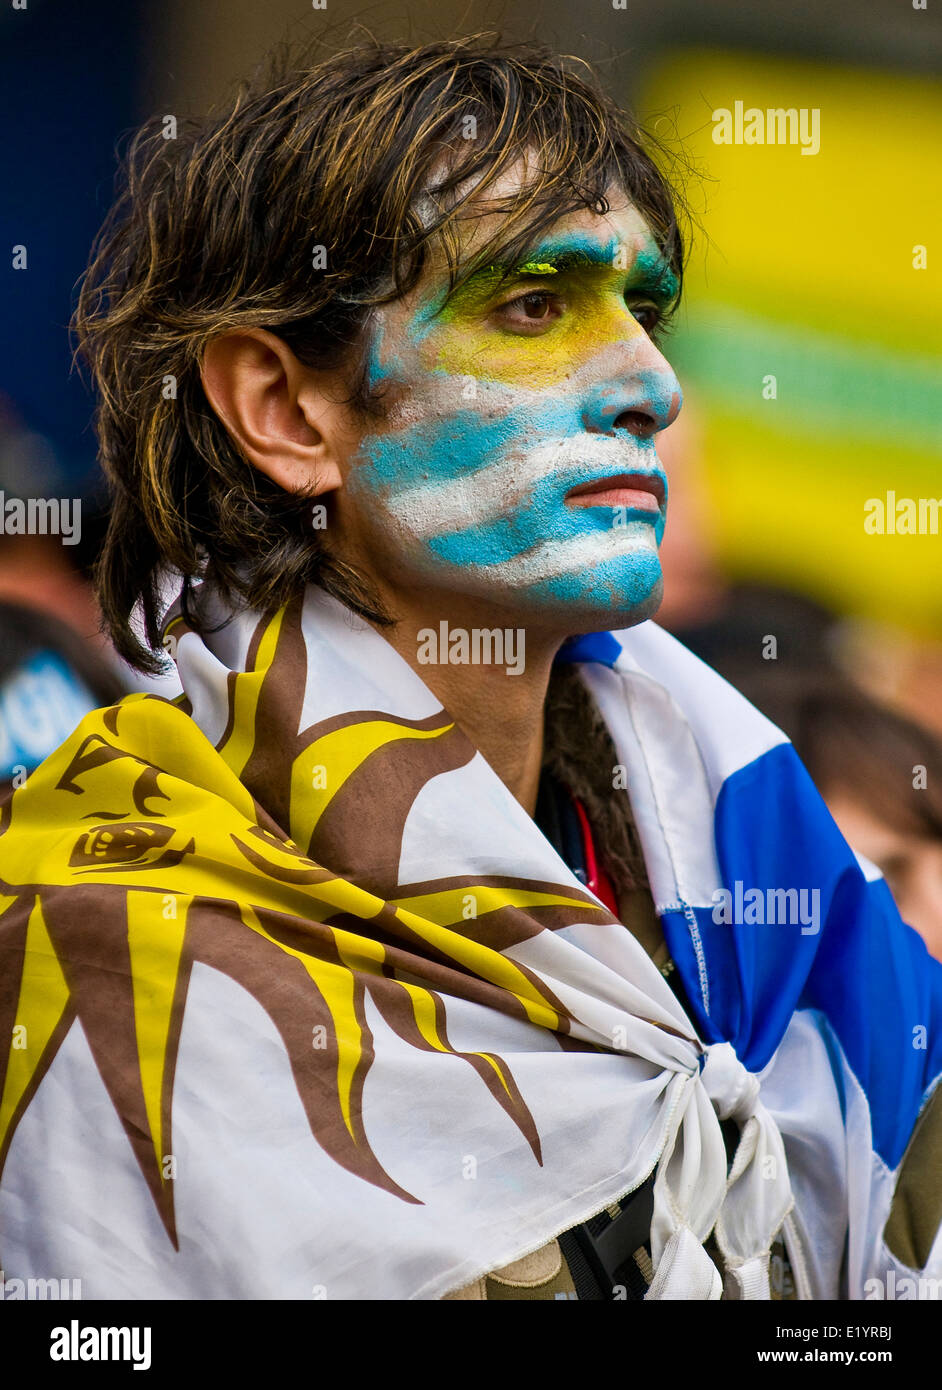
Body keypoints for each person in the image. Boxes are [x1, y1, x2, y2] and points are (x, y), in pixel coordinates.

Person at [0, 34, 939, 1302]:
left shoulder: (764, 862)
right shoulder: (87, 950)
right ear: (285, 410)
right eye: (534, 306)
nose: (652, 385)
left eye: (645, 311)